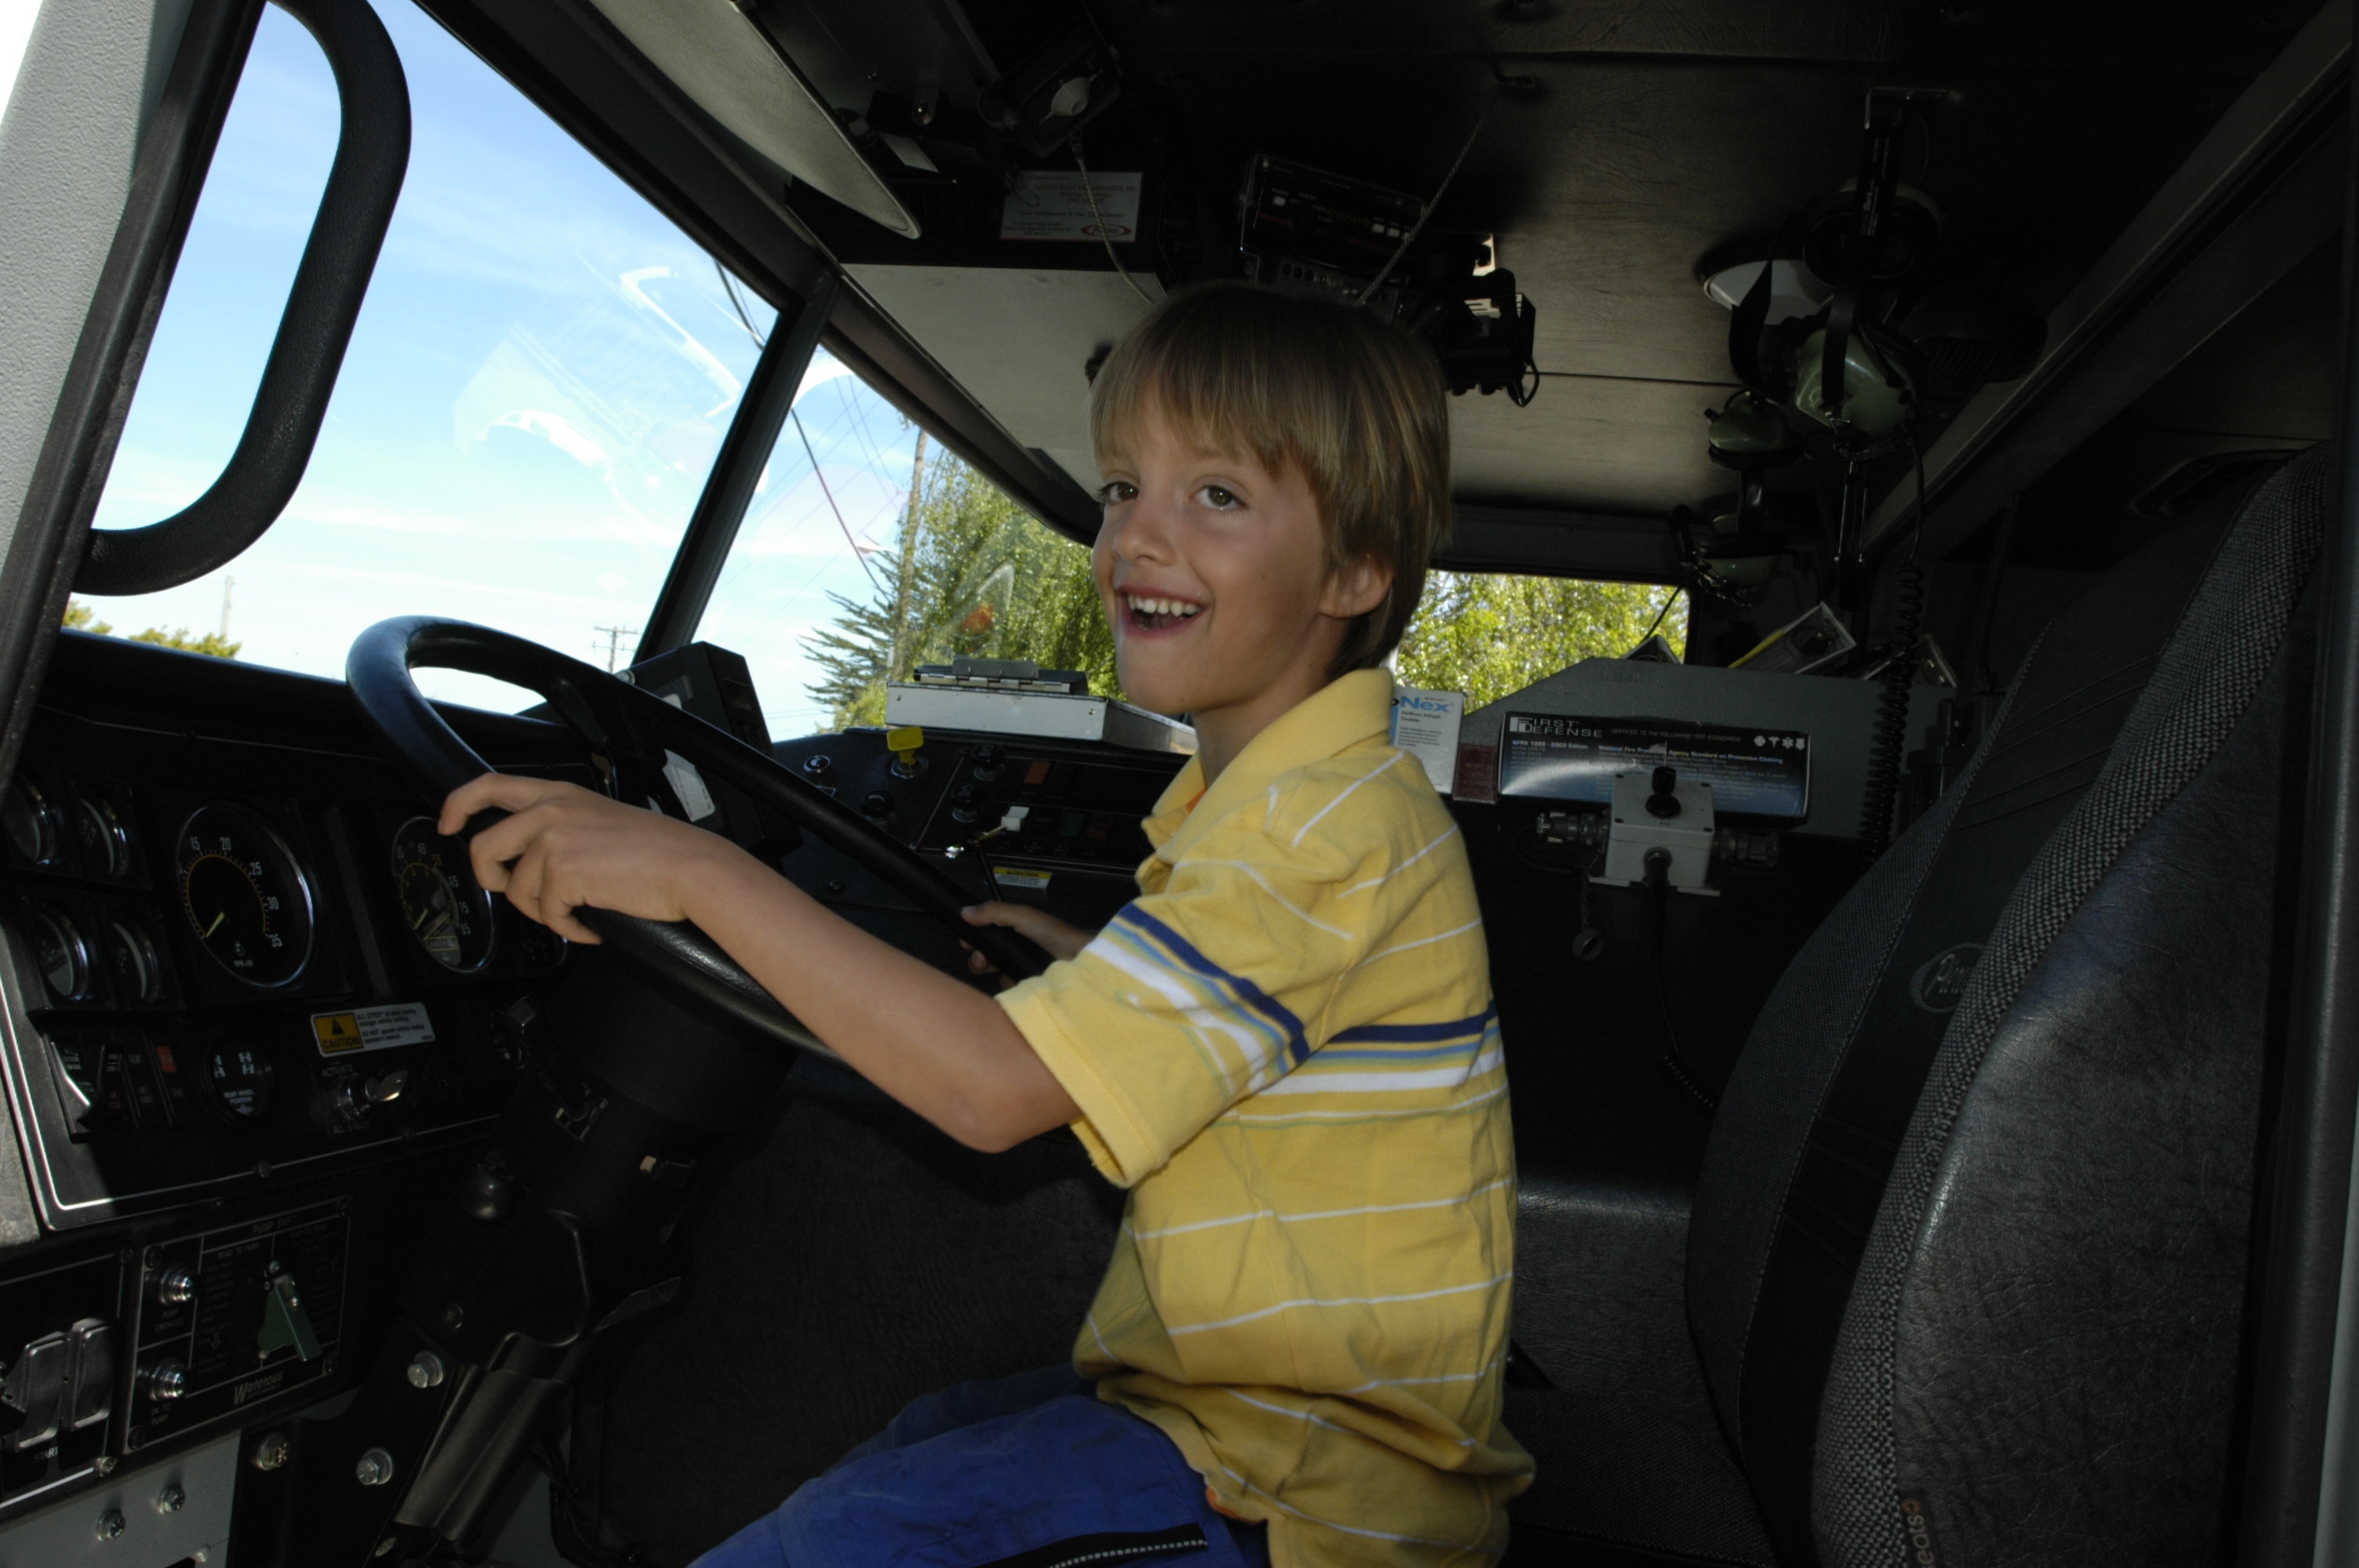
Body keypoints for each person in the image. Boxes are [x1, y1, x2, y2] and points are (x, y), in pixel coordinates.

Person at [439, 281, 1531, 1566]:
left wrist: (697, 872)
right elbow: (1249, 1012)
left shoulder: (1316, 826)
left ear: (1354, 572)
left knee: (830, 1540)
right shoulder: (1296, 802)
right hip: (1249, 1415)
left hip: (1299, 1491)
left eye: (1217, 496)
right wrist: (1085, 966)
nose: (1139, 536)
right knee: (919, 1443)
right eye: (1123, 487)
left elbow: (995, 1092)